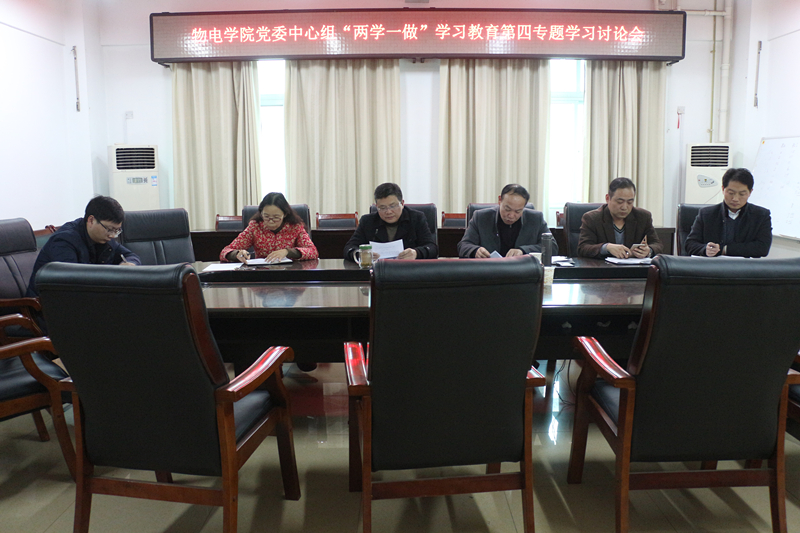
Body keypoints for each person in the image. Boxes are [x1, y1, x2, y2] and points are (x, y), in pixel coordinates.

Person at [27, 195, 141, 296]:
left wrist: (130, 264)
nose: (113, 235)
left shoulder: (104, 239)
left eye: (117, 230)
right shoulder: (64, 241)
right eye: (110, 229)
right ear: (91, 220)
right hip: (49, 305)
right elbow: (72, 280)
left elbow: (131, 256)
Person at [684, 168, 772, 257]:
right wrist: (705, 249)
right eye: (731, 193)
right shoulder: (706, 214)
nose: (735, 199)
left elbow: (763, 248)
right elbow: (690, 244)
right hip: (713, 265)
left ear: (750, 192)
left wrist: (724, 249)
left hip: (745, 265)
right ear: (723, 189)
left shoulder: (761, 215)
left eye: (742, 194)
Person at [343, 183, 438, 261]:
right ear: (377, 207)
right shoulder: (368, 221)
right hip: (378, 272)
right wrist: (361, 255)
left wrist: (416, 253)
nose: (388, 212)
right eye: (382, 208)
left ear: (402, 203)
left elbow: (432, 248)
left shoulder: (416, 218)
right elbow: (349, 248)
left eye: (393, 206)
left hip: (408, 271)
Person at [457, 184, 554, 258]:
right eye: (507, 209)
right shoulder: (481, 217)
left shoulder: (535, 219)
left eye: (518, 211)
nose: (511, 215)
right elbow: (463, 245)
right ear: (500, 200)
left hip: (523, 273)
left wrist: (523, 251)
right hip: (489, 272)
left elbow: (552, 247)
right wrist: (475, 250)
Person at [577, 177, 663, 259]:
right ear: (608, 198)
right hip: (602, 267)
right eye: (620, 202)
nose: (624, 207)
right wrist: (606, 247)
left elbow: (657, 244)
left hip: (633, 267)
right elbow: (583, 248)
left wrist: (649, 250)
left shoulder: (643, 217)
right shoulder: (592, 218)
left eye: (630, 202)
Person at [221, 192, 318, 263]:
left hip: (290, 274)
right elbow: (225, 251)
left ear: (285, 214)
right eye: (266, 216)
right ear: (261, 213)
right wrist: (237, 254)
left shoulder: (295, 227)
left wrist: (287, 252)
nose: (271, 221)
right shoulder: (255, 227)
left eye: (276, 217)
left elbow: (313, 251)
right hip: (262, 275)